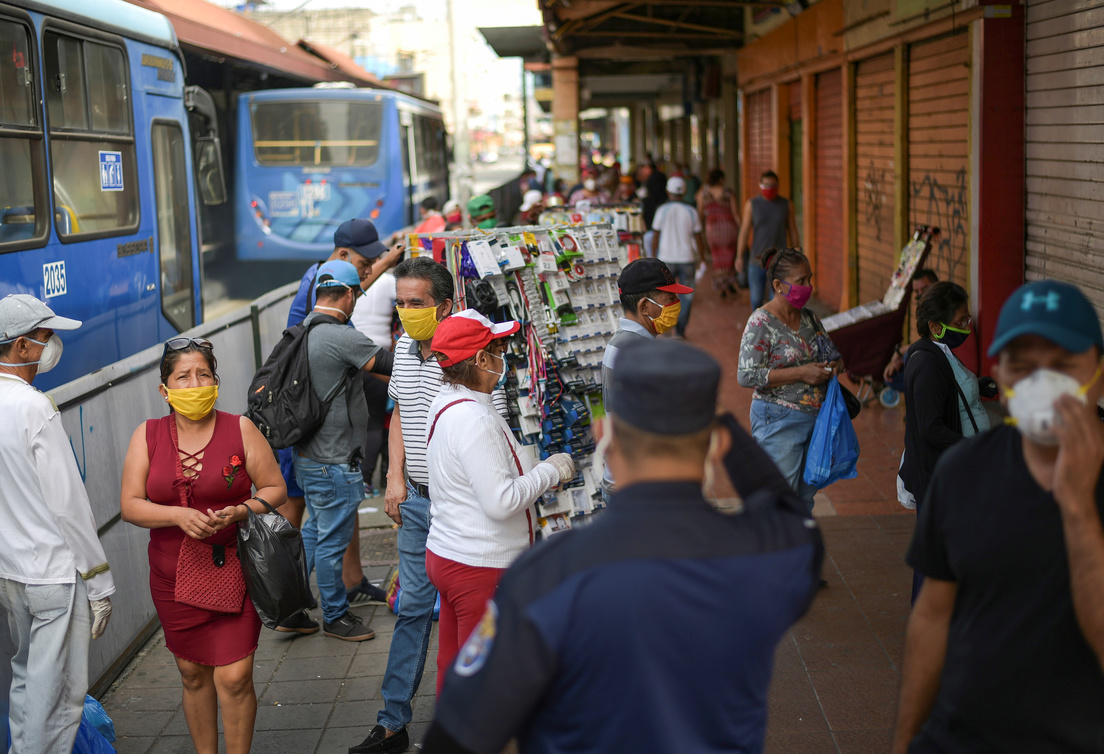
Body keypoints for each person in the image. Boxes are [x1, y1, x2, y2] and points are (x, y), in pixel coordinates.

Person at [420, 339, 824, 754]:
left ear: (605, 437)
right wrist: (721, 424)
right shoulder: (766, 556)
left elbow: (457, 735)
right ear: (717, 444)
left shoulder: (546, 576)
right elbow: (789, 514)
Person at [892, 280, 1104, 753]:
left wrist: (1078, 511)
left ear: (1098, 373)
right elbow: (931, 620)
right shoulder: (962, 473)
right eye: (1023, 365)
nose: (1042, 383)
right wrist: (905, 742)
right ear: (1002, 376)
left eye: (1063, 364)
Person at [120, 337, 286, 754]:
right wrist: (177, 515)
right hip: (171, 577)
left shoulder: (240, 429)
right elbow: (130, 505)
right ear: (165, 390)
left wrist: (241, 510)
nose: (195, 384)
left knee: (235, 677)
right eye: (184, 377)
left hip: (235, 569)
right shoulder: (147, 435)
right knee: (192, 675)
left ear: (216, 382)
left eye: (204, 375)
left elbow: (275, 488)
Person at [424, 310, 575, 696]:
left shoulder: (448, 402)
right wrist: (550, 471)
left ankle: (452, 725)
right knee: (485, 678)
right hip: (480, 565)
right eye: (499, 349)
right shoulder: (474, 419)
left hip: (450, 552)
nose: (504, 357)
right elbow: (501, 501)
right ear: (480, 359)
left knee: (455, 661)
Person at [349, 257, 458, 754]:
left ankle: (471, 722)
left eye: (418, 303)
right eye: (401, 304)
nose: (407, 312)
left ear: (445, 306)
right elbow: (398, 415)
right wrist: (394, 477)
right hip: (416, 502)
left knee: (466, 613)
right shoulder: (405, 352)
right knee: (412, 611)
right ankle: (392, 723)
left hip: (460, 508)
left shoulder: (465, 355)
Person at [0, 294, 115, 753]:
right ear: (21, 347)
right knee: (58, 702)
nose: (51, 347)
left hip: (10, 575)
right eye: (45, 338)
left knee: (26, 683)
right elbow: (69, 505)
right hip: (53, 576)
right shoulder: (34, 408)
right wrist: (99, 581)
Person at [279, 219, 402, 619]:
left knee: (320, 523)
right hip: (324, 444)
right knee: (314, 521)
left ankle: (295, 603)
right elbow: (385, 365)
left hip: (312, 441)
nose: (367, 278)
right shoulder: (335, 329)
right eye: (363, 270)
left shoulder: (321, 302)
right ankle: (328, 613)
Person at [898, 281, 991, 600]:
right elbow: (930, 427)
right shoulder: (926, 361)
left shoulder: (940, 352)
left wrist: (978, 386)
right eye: (961, 321)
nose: (967, 326)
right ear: (936, 326)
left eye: (968, 319)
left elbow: (946, 393)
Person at [737, 248, 841, 510]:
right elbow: (746, 375)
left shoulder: (810, 318)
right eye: (801, 280)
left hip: (815, 420)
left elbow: (833, 354)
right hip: (778, 418)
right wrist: (802, 373)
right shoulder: (761, 322)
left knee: (803, 499)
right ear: (778, 285)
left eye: (810, 278)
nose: (809, 286)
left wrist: (833, 365)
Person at [599, 258, 692, 501]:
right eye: (669, 299)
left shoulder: (622, 343)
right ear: (645, 307)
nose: (676, 304)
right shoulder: (638, 352)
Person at [351, 269, 399, 498]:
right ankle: (366, 481)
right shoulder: (389, 281)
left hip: (351, 358)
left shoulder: (350, 280)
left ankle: (352, 479)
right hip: (380, 360)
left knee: (353, 423)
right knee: (375, 423)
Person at [736, 170, 801, 311]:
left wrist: (797, 254)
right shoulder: (752, 205)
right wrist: (739, 256)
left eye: (772, 185)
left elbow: (793, 231)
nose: (769, 189)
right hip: (756, 260)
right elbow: (744, 232)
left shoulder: (786, 205)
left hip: (778, 262)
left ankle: (773, 325)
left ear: (778, 186)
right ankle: (759, 324)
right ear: (760, 185)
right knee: (756, 300)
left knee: (777, 301)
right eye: (766, 185)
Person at [651, 176, 704, 338]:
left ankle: (666, 327)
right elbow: (699, 238)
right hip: (687, 259)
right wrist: (701, 258)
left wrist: (653, 257)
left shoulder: (662, 210)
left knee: (663, 296)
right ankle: (680, 331)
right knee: (687, 296)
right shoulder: (691, 211)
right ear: (684, 192)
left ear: (668, 191)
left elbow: (655, 236)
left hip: (665, 259)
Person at [883, 269, 940, 386]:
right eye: (916, 291)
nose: (920, 294)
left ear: (936, 286)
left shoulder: (942, 310)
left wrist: (900, 351)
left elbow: (932, 345)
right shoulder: (926, 310)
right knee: (892, 377)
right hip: (931, 361)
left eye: (924, 289)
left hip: (941, 365)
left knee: (909, 357)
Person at [697, 168, 741, 299]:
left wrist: (700, 230)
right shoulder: (728, 192)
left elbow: (700, 214)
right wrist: (742, 228)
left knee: (717, 257)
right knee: (729, 255)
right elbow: (735, 213)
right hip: (728, 226)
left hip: (712, 227)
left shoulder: (703, 193)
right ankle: (729, 282)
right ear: (721, 179)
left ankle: (721, 285)